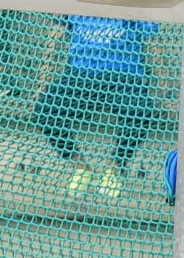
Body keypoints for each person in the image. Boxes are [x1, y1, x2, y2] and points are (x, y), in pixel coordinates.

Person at [32, 15, 161, 199]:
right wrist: (41, 81)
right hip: (80, 73)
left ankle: (114, 168)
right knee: (45, 110)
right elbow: (55, 37)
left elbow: (153, 42)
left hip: (125, 73)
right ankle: (81, 167)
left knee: (141, 112)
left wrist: (163, 86)